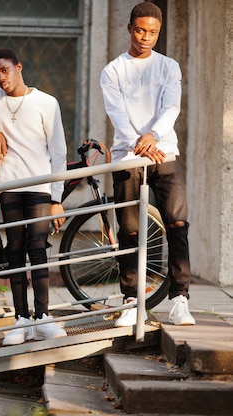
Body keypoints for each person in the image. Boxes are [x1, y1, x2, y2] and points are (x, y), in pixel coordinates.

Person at [100, 2, 195, 327]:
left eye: (152, 32)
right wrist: (140, 142)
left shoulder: (169, 66)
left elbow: (171, 107)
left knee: (177, 224)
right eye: (140, 30)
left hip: (164, 153)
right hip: (129, 156)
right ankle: (131, 302)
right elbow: (116, 113)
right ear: (130, 29)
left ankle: (180, 299)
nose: (146, 37)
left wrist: (153, 136)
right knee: (129, 230)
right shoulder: (113, 70)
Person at [0, 49, 68, 345]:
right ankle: (22, 319)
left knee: (38, 245)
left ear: (18, 66)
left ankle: (43, 316)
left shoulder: (46, 102)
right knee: (15, 248)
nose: (1, 78)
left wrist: (57, 197)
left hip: (40, 186)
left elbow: (59, 152)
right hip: (8, 186)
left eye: (5, 70)